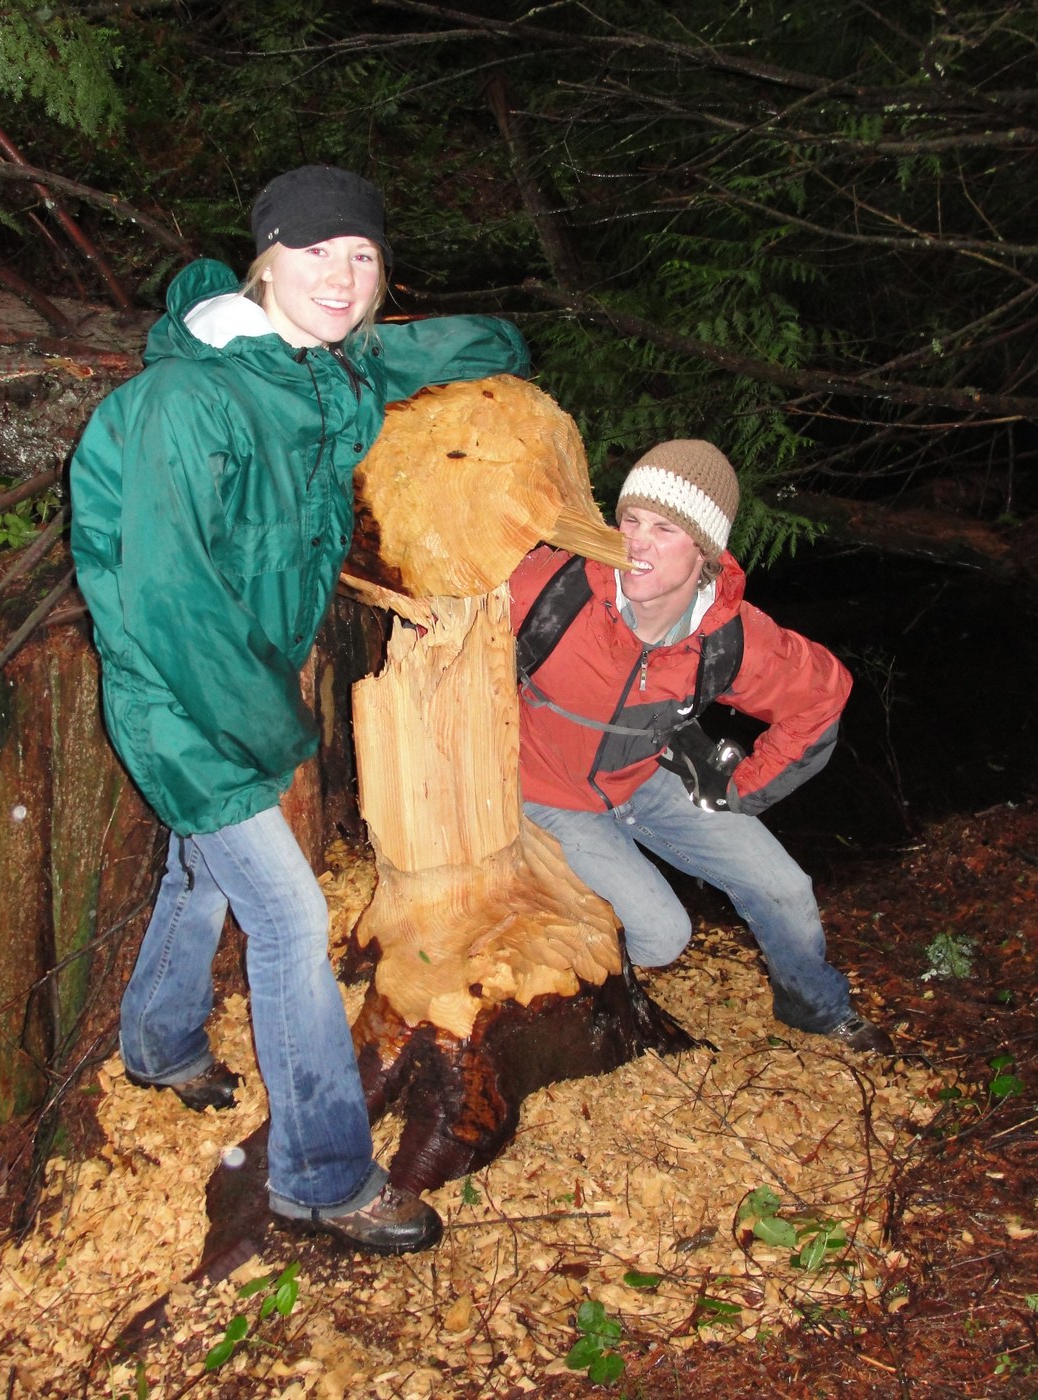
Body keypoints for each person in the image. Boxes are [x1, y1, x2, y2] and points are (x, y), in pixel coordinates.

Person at [69, 164, 531, 1256]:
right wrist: (274, 728)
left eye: (363, 256)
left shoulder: (321, 370)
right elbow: (171, 603)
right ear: (265, 257)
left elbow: (405, 352)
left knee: (198, 865)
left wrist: (508, 342)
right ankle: (322, 1176)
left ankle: (157, 1040)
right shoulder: (190, 401)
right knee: (286, 917)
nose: (343, 275)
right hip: (183, 692)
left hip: (243, 678)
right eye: (317, 252)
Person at [510, 439, 893, 1053]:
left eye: (664, 529)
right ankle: (557, 997)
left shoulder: (725, 633)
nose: (636, 543)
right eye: (630, 520)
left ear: (705, 550)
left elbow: (822, 696)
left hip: (646, 778)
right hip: (546, 792)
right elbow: (447, 616)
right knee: (663, 936)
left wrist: (743, 789)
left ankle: (816, 1009)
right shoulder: (552, 589)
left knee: (785, 887)